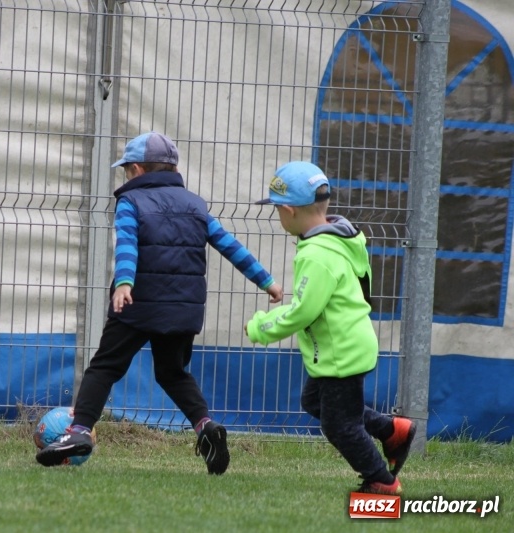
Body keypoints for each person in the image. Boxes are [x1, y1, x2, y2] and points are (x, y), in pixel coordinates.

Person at [36, 131, 283, 474]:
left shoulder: (130, 202)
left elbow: (127, 245)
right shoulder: (196, 205)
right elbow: (230, 246)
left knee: (105, 367)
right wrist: (266, 281)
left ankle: (79, 432)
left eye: (125, 171)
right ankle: (206, 427)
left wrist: (123, 283)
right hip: (185, 306)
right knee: (173, 373)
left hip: (139, 302)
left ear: (136, 170)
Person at [244, 160, 416, 494]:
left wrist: (261, 327)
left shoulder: (317, 254)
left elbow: (302, 313)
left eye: (277, 208)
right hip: (347, 344)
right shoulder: (338, 238)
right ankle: (391, 430)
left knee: (340, 426)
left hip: (341, 353)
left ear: (290, 210)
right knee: (315, 401)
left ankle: (382, 482)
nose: (277, 215)